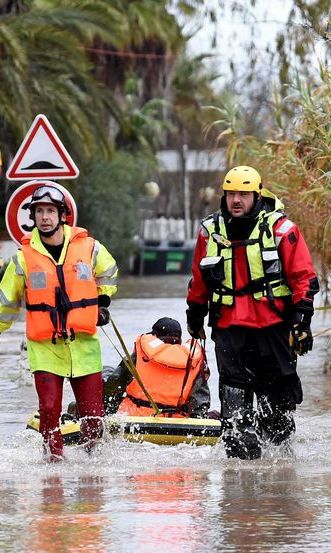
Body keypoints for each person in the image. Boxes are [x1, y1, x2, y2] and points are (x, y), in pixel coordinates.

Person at [186, 165, 318, 459]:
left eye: (243, 194)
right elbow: (198, 279)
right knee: (234, 414)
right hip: (230, 328)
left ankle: (279, 481)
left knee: (278, 412)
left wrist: (302, 322)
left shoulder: (282, 230)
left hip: (272, 328)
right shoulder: (211, 231)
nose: (236, 200)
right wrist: (194, 315)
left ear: (257, 196)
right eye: (232, 193)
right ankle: (240, 490)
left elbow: (304, 277)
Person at [0, 184, 119, 462]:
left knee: (93, 416)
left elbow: (109, 272)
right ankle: (52, 472)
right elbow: (5, 300)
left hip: (84, 345)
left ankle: (94, 473)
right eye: (40, 211)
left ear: (62, 216)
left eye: (50, 211)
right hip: (45, 348)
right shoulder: (23, 258)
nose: (45, 217)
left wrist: (103, 303)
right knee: (49, 411)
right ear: (33, 216)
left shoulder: (89, 247)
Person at [102, 317, 210, 418]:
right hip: (176, 422)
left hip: (135, 418)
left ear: (154, 337)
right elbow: (200, 402)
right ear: (180, 340)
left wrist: (107, 411)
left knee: (106, 370)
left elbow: (114, 385)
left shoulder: (137, 357)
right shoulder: (194, 362)